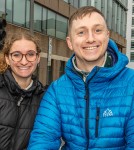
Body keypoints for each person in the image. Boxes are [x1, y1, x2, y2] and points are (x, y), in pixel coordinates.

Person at [27, 6, 134, 149]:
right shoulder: (57, 90)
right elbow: (42, 140)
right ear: (70, 42)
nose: (90, 39)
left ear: (107, 36)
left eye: (97, 30)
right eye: (81, 32)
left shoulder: (131, 83)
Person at [0, 30, 45, 150]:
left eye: (30, 54)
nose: (24, 61)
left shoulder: (45, 98)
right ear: (7, 58)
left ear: (38, 58)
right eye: (16, 55)